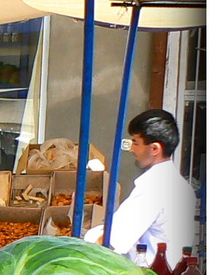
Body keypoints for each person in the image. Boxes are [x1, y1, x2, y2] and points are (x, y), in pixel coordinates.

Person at [85, 109, 198, 260]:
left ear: (154, 149)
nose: (132, 149)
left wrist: (89, 237)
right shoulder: (180, 186)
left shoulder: (155, 187)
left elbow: (111, 241)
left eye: (136, 143)